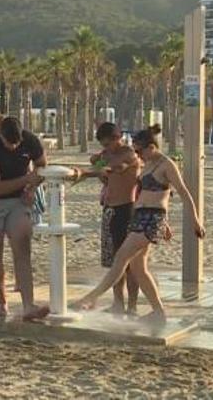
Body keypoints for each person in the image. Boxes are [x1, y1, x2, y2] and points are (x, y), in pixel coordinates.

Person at [75, 125, 206, 324]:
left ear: (152, 147)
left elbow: (183, 193)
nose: (138, 155)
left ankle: (91, 297)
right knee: (138, 268)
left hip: (152, 219)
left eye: (140, 151)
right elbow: (144, 193)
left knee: (120, 258)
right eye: (135, 150)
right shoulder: (148, 164)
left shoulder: (166, 164)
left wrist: (195, 220)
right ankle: (158, 312)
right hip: (140, 216)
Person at [0, 116, 47, 319]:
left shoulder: (30, 141)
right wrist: (26, 179)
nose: (13, 147)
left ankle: (28, 305)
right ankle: (1, 301)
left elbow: (42, 165)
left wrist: (32, 188)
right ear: (0, 135)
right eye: (9, 143)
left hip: (18, 201)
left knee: (22, 243)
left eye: (17, 143)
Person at [76, 123, 141, 316]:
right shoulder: (106, 155)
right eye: (104, 145)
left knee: (129, 262)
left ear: (118, 138)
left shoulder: (129, 154)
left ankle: (132, 305)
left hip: (127, 209)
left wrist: (88, 172)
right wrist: (96, 163)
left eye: (109, 144)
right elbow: (104, 175)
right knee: (114, 261)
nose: (107, 148)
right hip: (110, 209)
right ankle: (118, 302)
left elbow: (117, 169)